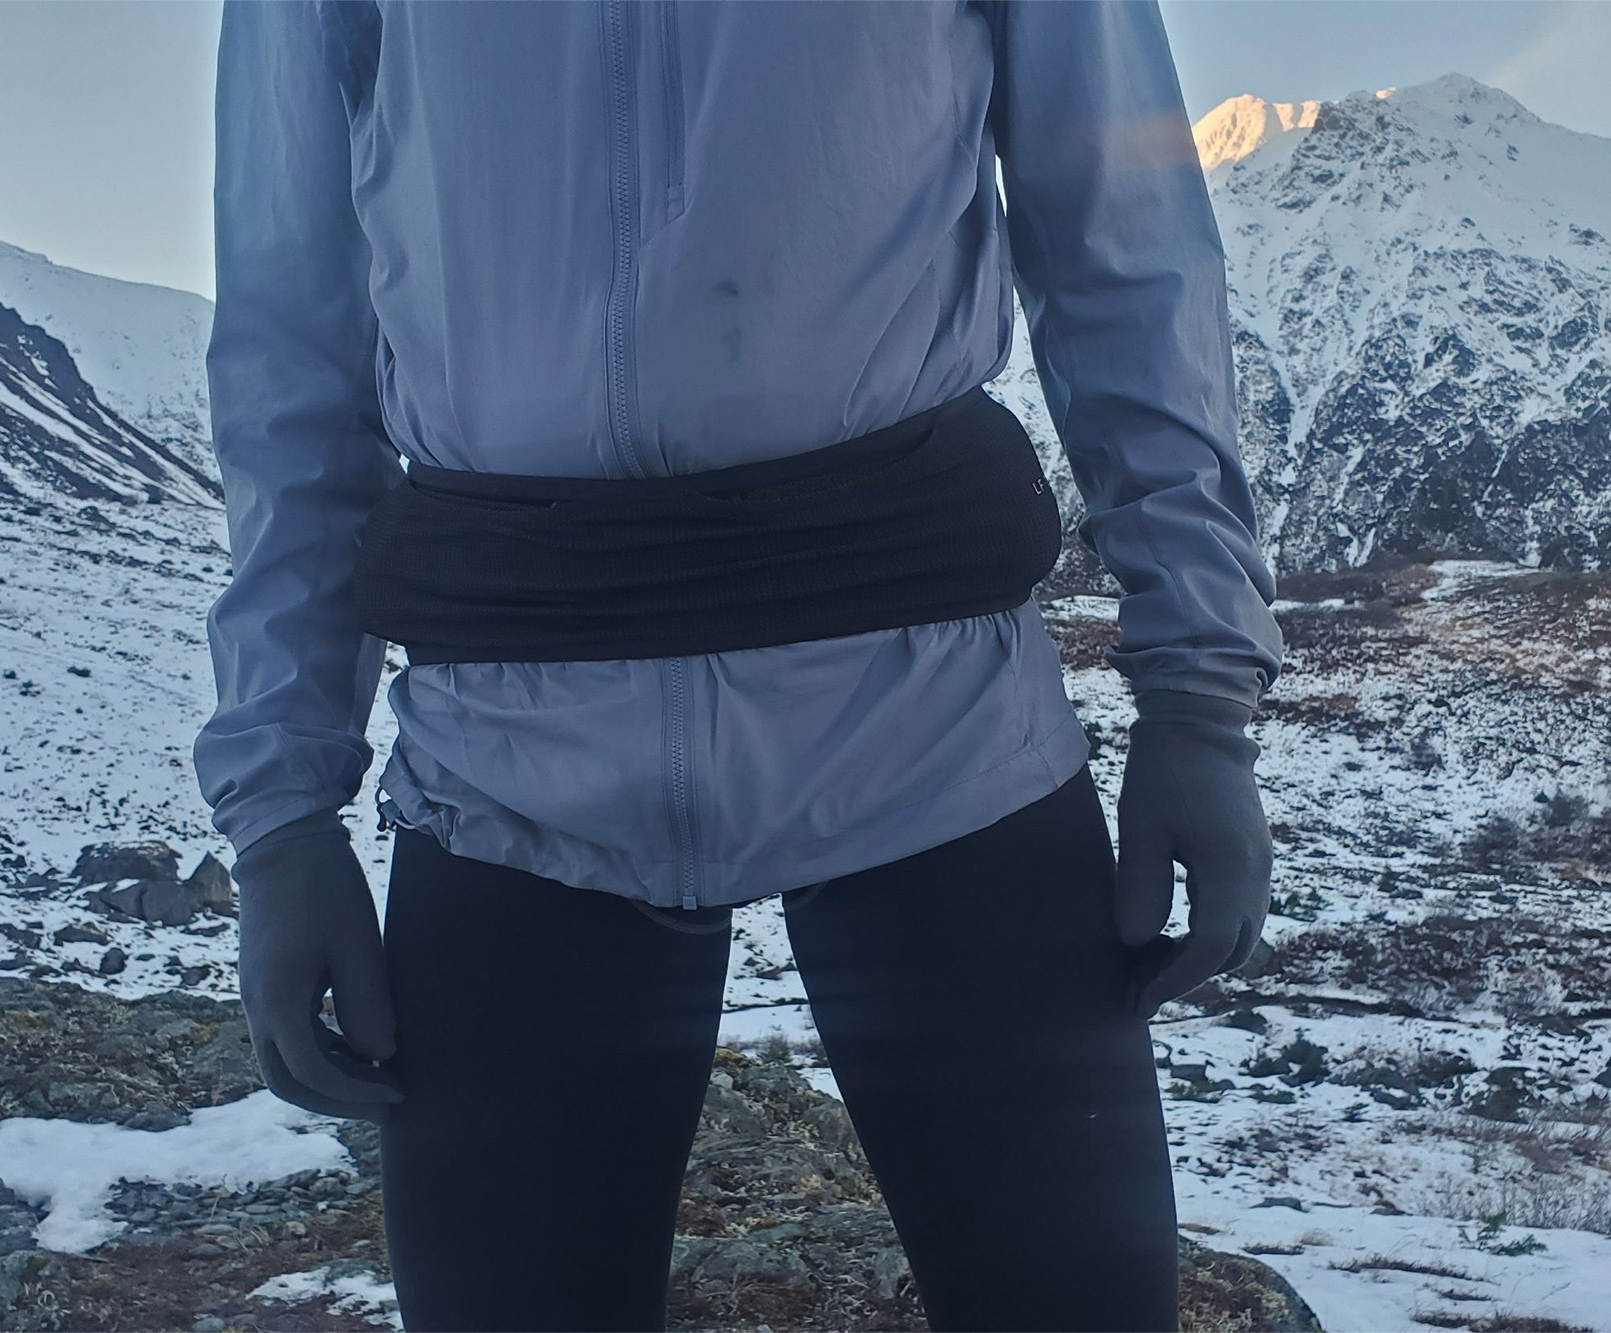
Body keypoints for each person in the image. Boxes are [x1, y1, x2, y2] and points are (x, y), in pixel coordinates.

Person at [194, 1, 1283, 1329]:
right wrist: (282, 813)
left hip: (936, 729)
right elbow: (296, 340)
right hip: (517, 772)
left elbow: (1124, 236)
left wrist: (1199, 700)